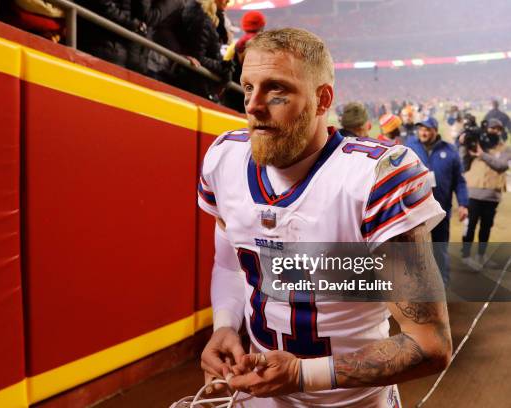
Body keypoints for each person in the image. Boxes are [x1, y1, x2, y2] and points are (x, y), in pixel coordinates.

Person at [198, 28, 451, 407]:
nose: (252, 105)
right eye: (248, 87)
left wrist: (303, 374)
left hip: (354, 401)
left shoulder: (374, 177)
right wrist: (224, 326)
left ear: (322, 99)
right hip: (257, 392)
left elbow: (429, 343)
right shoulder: (224, 159)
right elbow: (230, 266)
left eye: (276, 90)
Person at [405, 117, 468, 285]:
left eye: (427, 129)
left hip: (441, 210)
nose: (423, 132)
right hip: (415, 211)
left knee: (440, 249)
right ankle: (417, 285)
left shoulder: (450, 151)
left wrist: (463, 204)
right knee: (415, 250)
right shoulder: (409, 147)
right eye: (421, 129)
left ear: (435, 130)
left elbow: (459, 181)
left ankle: (442, 284)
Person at [460, 118, 511, 267]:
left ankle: (481, 255)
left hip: (492, 195)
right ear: (486, 129)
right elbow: (462, 151)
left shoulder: (505, 149)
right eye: (492, 128)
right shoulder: (476, 144)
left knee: (486, 227)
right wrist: (464, 138)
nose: (495, 131)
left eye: (498, 129)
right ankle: (466, 255)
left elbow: (501, 165)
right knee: (470, 225)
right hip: (473, 194)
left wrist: (482, 154)